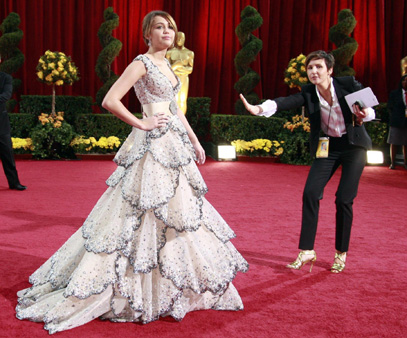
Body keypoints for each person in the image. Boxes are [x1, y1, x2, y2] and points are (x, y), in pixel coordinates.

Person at [16, 11, 248, 334]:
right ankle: (132, 289)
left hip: (174, 146)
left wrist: (195, 141)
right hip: (150, 146)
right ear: (147, 35)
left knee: (177, 216)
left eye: (170, 27)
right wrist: (142, 123)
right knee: (140, 214)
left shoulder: (169, 66)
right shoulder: (141, 62)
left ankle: (169, 288)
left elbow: (175, 109)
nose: (166, 31)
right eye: (159, 27)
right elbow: (110, 99)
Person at [240, 50, 375, 273]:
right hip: (327, 147)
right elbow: (285, 102)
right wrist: (259, 108)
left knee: (343, 199)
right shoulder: (309, 93)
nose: (314, 72)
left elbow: (369, 108)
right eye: (310, 68)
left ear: (330, 70)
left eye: (319, 67)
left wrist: (365, 114)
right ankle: (306, 251)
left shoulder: (347, 84)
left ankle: (341, 253)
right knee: (310, 193)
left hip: (353, 146)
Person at [0, 57, 26, 191]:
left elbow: (6, 95)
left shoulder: (6, 78)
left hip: (1, 123)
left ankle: (14, 182)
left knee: (7, 152)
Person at [387, 75, 407, 170]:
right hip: (396, 120)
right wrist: (394, 116)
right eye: (404, 80)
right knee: (394, 142)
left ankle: (406, 163)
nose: (406, 82)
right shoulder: (395, 93)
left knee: (406, 143)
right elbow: (390, 106)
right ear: (401, 82)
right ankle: (392, 163)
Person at [166, 31, 194, 114]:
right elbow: (167, 69)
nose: (179, 40)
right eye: (178, 38)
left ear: (184, 39)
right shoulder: (169, 53)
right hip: (172, 78)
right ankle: (173, 121)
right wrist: (177, 65)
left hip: (183, 78)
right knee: (173, 100)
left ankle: (181, 122)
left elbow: (190, 69)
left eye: (181, 38)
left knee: (182, 100)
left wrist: (177, 67)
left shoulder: (189, 53)